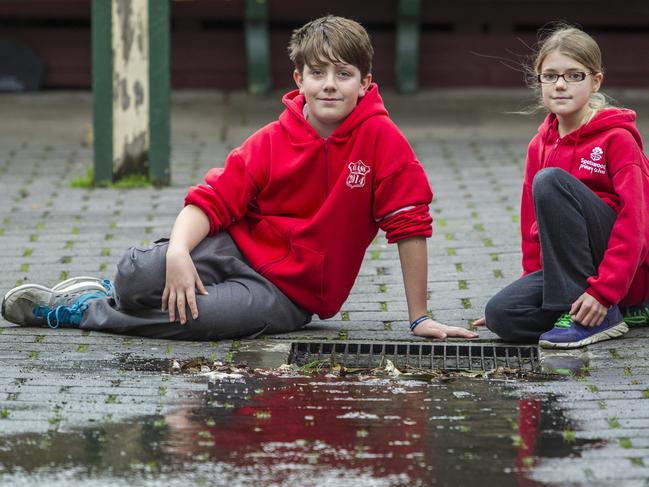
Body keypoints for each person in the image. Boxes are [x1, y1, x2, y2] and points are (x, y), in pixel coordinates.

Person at [1, 15, 477, 342]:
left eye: (344, 73)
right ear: (299, 79)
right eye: (317, 72)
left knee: (196, 320)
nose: (329, 83)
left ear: (366, 82)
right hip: (233, 247)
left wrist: (419, 319)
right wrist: (181, 253)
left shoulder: (382, 141)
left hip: (287, 293)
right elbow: (209, 201)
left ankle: (79, 313)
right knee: (140, 273)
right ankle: (112, 290)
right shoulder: (271, 138)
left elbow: (409, 225)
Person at [477, 24, 649, 349]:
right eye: (550, 75)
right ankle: (587, 310)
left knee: (550, 182)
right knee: (502, 314)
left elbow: (637, 226)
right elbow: (533, 229)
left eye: (574, 76)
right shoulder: (538, 145)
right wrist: (529, 285)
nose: (560, 85)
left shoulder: (618, 139)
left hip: (622, 272)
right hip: (572, 272)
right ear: (539, 81)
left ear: (595, 80)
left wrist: (604, 291)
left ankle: (605, 312)